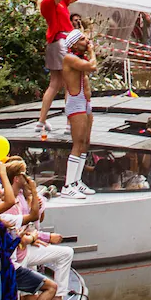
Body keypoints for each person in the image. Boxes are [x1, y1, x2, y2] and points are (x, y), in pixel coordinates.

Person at [33, 0, 85, 136]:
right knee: (70, 83)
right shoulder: (47, 2)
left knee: (55, 83)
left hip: (57, 44)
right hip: (61, 43)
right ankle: (70, 124)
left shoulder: (60, 1)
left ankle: (41, 121)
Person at [55, 24, 96, 198]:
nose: (86, 41)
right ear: (74, 43)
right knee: (78, 143)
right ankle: (68, 185)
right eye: (82, 39)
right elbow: (92, 66)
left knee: (85, 142)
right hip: (76, 103)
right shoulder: (69, 58)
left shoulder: (78, 58)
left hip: (85, 102)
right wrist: (92, 51)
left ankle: (77, 181)